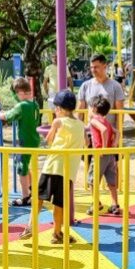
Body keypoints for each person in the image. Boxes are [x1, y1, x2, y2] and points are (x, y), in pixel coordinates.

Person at [20, 90, 84, 243]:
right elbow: (85, 143)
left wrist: (52, 129)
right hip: (68, 170)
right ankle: (57, 233)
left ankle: (30, 226)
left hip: (53, 166)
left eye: (55, 108)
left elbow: (49, 140)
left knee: (39, 197)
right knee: (59, 203)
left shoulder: (58, 122)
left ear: (60, 109)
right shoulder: (81, 125)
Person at [0, 78, 41, 206]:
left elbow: (6, 116)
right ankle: (33, 191)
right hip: (33, 139)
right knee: (25, 165)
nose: (15, 98)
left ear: (21, 93)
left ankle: (25, 197)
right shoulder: (34, 104)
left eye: (15, 95)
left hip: (25, 140)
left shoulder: (22, 105)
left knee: (21, 168)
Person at [86, 95, 121, 216]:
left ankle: (96, 203)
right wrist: (114, 145)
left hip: (100, 154)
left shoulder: (94, 120)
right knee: (111, 180)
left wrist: (104, 148)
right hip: (110, 155)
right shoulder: (106, 121)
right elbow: (117, 132)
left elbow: (104, 131)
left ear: (94, 108)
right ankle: (114, 204)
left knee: (92, 180)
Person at [77, 54, 125, 127]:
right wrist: (79, 131)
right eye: (91, 67)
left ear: (105, 66)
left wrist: (118, 133)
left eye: (96, 67)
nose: (93, 70)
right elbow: (80, 111)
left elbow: (120, 113)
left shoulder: (115, 86)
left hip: (109, 132)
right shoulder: (85, 86)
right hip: (90, 132)